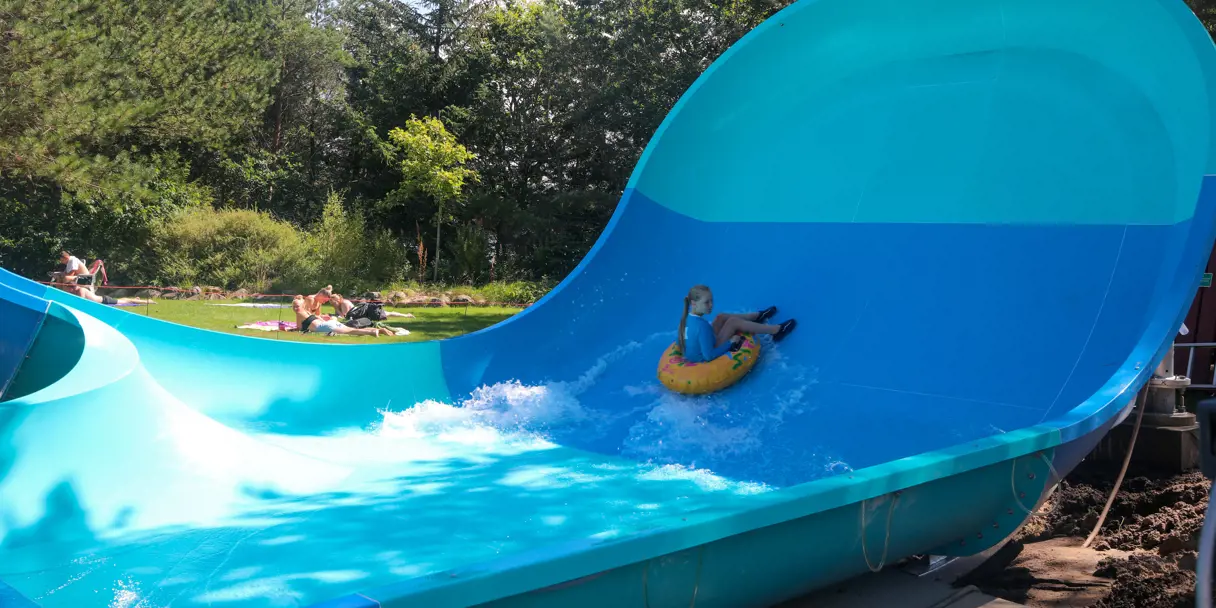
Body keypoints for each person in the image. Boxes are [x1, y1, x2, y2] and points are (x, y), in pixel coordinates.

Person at [677, 284, 796, 363]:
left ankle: (756, 317)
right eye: (706, 302)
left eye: (711, 301)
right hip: (704, 356)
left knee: (720, 317)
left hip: (701, 346)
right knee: (732, 322)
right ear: (693, 303)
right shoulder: (702, 326)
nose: (711, 305)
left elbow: (680, 342)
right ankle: (777, 330)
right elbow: (709, 356)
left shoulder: (684, 320)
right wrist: (730, 342)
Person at [293, 289, 391, 337]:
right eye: (294, 306)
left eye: (296, 306)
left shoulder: (300, 313)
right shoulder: (308, 313)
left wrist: (290, 329)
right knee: (351, 329)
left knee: (351, 331)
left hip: (326, 327)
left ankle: (373, 332)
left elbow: (299, 328)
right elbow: (316, 317)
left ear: (302, 305)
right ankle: (379, 330)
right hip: (329, 323)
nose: (295, 308)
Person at [70, 285, 155, 306]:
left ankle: (147, 301)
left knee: (125, 301)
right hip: (103, 300)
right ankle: (136, 299)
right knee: (124, 299)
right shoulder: (79, 289)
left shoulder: (80, 290)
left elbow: (80, 301)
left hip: (104, 301)